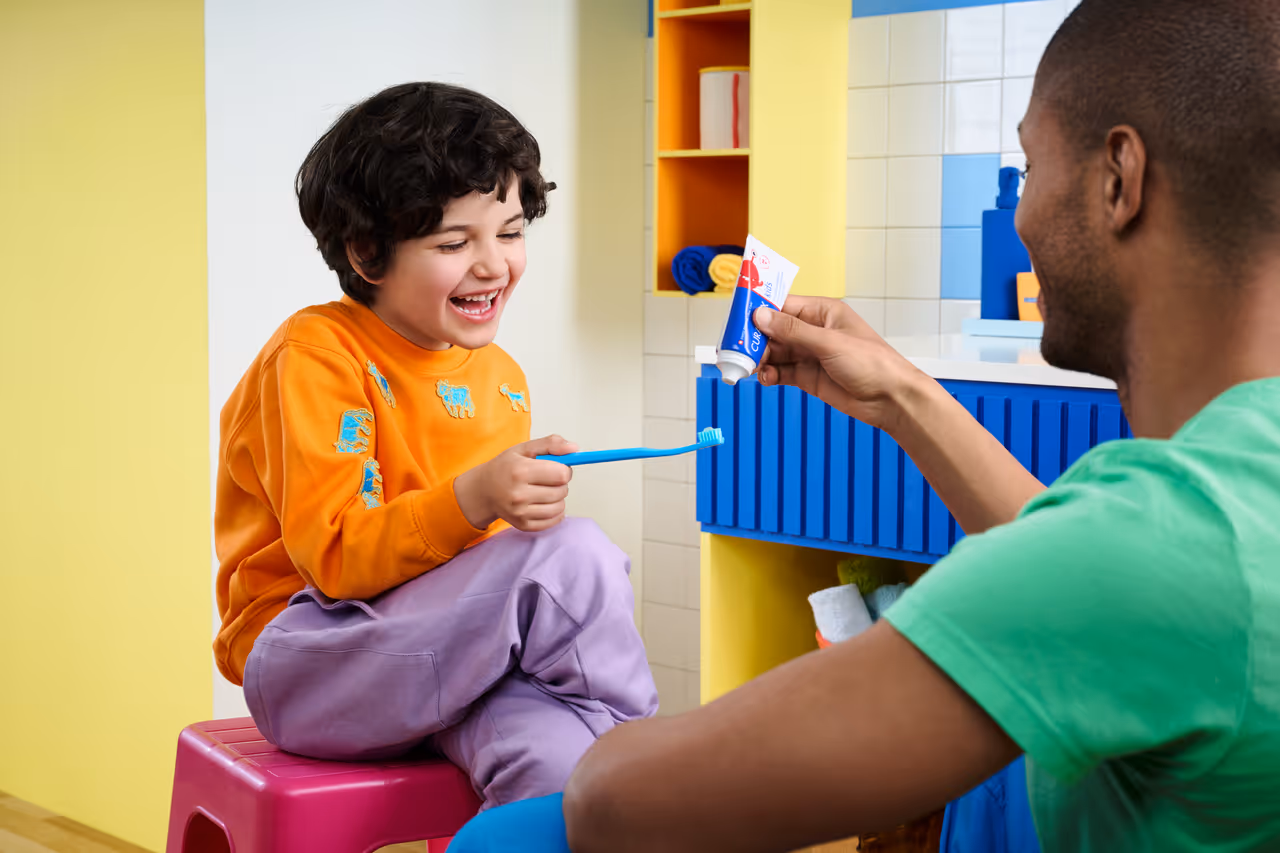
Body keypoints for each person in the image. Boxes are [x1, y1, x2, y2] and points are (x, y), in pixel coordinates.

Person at [557, 1, 1280, 850]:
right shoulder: (1223, 504)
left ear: (1119, 178)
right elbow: (1096, 573)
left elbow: (616, 802)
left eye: (1031, 163)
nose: (1021, 215)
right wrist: (901, 392)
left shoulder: (1152, 547)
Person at [212, 82, 657, 809]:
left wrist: (512, 513)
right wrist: (480, 498)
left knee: (562, 768)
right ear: (367, 253)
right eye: (455, 243)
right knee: (573, 556)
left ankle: (616, 764)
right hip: (309, 659)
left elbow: (482, 577)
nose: (493, 264)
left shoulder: (501, 377)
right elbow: (338, 561)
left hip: (451, 661)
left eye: (510, 233)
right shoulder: (318, 354)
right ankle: (649, 757)